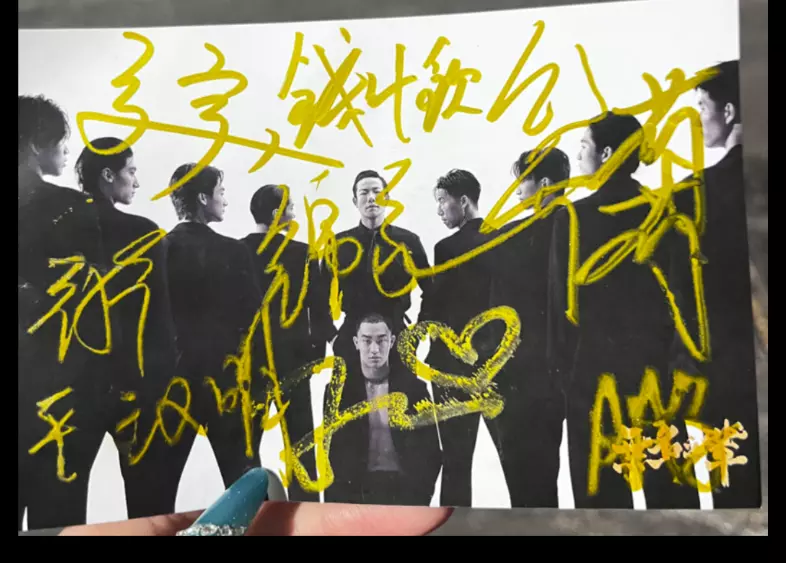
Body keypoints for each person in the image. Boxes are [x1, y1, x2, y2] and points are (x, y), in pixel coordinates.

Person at [548, 111, 697, 509]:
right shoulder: (663, 209)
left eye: (584, 146)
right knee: (673, 505)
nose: (579, 154)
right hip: (657, 376)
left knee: (602, 509)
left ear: (607, 153)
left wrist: (564, 377)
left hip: (593, 378)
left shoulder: (572, 217)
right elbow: (685, 301)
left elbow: (560, 310)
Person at [668, 60, 761, 508]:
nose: (697, 120)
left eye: (701, 108)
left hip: (722, 358)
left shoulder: (692, 193)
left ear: (728, 111)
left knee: (734, 492)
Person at [72, 137, 179, 518]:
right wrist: (158, 385)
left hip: (72, 389)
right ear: (107, 174)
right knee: (149, 506)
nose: (136, 181)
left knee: (62, 508)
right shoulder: (143, 232)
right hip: (135, 387)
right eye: (131, 171)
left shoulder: (62, 227)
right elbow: (160, 320)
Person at [18, 94, 109, 530]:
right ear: (37, 143)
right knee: (58, 521)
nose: (66, 149)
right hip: (60, 400)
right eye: (60, 140)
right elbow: (95, 308)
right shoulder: (73, 208)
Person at [154, 163, 264, 511]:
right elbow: (253, 317)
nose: (225, 200)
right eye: (221, 192)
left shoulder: (160, 249)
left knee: (157, 494)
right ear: (203, 198)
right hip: (225, 381)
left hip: (173, 384)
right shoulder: (234, 251)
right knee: (249, 494)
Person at [483, 149, 571, 507]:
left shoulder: (511, 237)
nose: (517, 190)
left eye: (523, 181)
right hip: (565, 374)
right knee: (549, 476)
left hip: (519, 376)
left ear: (544, 184)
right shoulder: (583, 225)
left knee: (524, 485)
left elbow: (496, 313)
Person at [241, 184, 337, 502]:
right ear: (276, 214)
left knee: (246, 447)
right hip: (294, 360)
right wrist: (316, 354)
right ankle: (306, 515)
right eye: (291, 207)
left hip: (250, 364)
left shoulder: (237, 251)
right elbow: (319, 309)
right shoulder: (303, 253)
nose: (294, 213)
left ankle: (253, 513)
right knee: (301, 445)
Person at [417, 169, 500, 508]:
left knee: (455, 460)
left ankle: (453, 527)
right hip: (497, 365)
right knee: (515, 460)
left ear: (463, 201)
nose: (439, 210)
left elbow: (435, 304)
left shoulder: (447, 248)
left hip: (452, 367)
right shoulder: (503, 237)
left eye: (442, 201)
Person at [324, 314, 442, 506]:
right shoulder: (338, 393)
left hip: (404, 493)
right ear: (356, 343)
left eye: (381, 341)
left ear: (392, 342)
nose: (374, 350)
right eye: (367, 341)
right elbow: (331, 458)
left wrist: (420, 498)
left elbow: (431, 452)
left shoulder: (414, 390)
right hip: (357, 494)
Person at [327, 170, 432, 376]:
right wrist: (333, 337)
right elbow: (318, 295)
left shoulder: (407, 241)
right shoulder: (339, 244)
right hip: (351, 337)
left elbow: (431, 290)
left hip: (397, 335)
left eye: (377, 191)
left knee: (404, 394)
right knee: (349, 395)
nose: (371, 198)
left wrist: (417, 334)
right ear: (355, 201)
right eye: (364, 192)